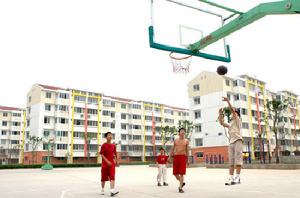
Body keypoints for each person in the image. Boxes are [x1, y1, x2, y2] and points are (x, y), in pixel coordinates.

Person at [218, 97, 243, 186]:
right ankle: (231, 177)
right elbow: (221, 123)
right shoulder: (231, 124)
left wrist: (228, 101)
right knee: (231, 162)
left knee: (238, 160)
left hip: (238, 140)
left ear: (237, 115)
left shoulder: (237, 120)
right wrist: (220, 113)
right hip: (231, 142)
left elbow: (232, 110)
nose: (233, 114)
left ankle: (238, 177)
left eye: (235, 113)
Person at [169, 128, 189, 193]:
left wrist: (187, 159)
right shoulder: (176, 140)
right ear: (179, 133)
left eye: (184, 132)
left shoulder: (186, 141)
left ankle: (180, 188)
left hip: (183, 157)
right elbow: (172, 149)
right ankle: (182, 182)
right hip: (176, 157)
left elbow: (187, 150)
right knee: (175, 173)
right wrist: (169, 157)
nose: (183, 133)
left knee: (182, 173)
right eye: (182, 131)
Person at [100, 132, 119, 196]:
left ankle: (112, 191)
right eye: (109, 135)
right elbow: (102, 154)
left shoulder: (113, 145)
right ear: (106, 137)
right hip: (105, 164)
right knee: (103, 178)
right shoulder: (103, 145)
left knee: (112, 176)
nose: (110, 136)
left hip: (112, 164)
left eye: (111, 135)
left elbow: (115, 153)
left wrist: (116, 161)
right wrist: (107, 161)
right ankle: (102, 189)